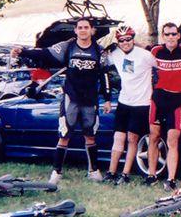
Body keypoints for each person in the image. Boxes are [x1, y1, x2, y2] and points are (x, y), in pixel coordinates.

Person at [12, 18, 111, 184]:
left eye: (86, 27)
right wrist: (23, 52)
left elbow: (105, 75)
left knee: (91, 135)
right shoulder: (68, 46)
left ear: (92, 30)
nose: (83, 30)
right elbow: (44, 53)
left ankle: (93, 170)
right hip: (71, 97)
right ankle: (56, 173)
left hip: (90, 99)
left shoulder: (99, 51)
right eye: (80, 28)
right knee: (64, 134)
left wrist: (107, 99)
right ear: (76, 30)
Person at [103, 26, 156, 185]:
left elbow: (162, 66)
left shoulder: (146, 55)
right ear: (117, 42)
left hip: (141, 103)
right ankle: (111, 172)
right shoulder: (115, 54)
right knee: (118, 137)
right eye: (121, 40)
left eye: (128, 39)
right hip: (124, 101)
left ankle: (125, 174)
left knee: (133, 139)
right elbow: (101, 57)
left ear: (133, 39)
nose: (125, 43)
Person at [148, 22, 181, 191]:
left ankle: (171, 178)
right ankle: (151, 174)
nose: (170, 37)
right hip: (158, 99)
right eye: (167, 34)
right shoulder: (156, 51)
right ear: (163, 36)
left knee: (172, 140)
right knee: (153, 137)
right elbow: (138, 49)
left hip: (177, 101)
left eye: (173, 34)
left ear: (178, 35)